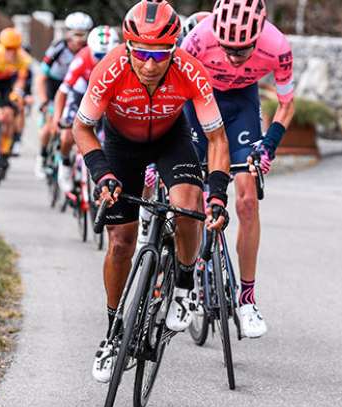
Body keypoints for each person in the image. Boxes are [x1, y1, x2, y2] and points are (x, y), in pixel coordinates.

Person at [72, 0, 231, 383]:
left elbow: (217, 138)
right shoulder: (109, 69)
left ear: (174, 49)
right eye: (141, 52)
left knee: (186, 205)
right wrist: (102, 175)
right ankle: (113, 333)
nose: (149, 63)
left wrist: (219, 194)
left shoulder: (190, 71)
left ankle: (184, 285)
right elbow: (82, 128)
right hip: (121, 145)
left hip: (169, 140)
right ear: (128, 47)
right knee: (121, 242)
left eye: (160, 54)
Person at [181, 0, 296, 338]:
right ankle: (184, 281)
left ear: (258, 36)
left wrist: (269, 145)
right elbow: (172, 89)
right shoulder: (198, 40)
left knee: (247, 200)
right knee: (190, 195)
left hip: (241, 105)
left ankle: (247, 299)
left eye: (242, 49)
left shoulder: (278, 46)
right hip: (199, 100)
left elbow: (287, 102)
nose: (232, 57)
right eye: (227, 47)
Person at [52, 25, 120, 193]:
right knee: (67, 135)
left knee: (108, 141)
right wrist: (57, 119)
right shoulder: (81, 59)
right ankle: (65, 164)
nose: (103, 60)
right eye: (98, 56)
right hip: (82, 93)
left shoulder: (123, 60)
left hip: (107, 97)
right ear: (89, 50)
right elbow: (63, 91)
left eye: (107, 56)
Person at [34, 12, 94, 178]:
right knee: (49, 125)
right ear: (68, 33)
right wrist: (45, 101)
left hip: (77, 88)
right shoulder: (57, 48)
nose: (80, 39)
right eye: (76, 34)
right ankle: (42, 155)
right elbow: (41, 76)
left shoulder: (90, 50)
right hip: (55, 86)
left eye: (84, 35)